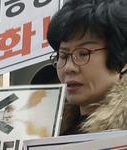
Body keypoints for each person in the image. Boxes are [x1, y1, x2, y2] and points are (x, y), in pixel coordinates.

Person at [47, 0, 127, 135]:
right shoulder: (43, 131)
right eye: (63, 55)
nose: (69, 68)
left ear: (122, 59)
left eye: (83, 54)